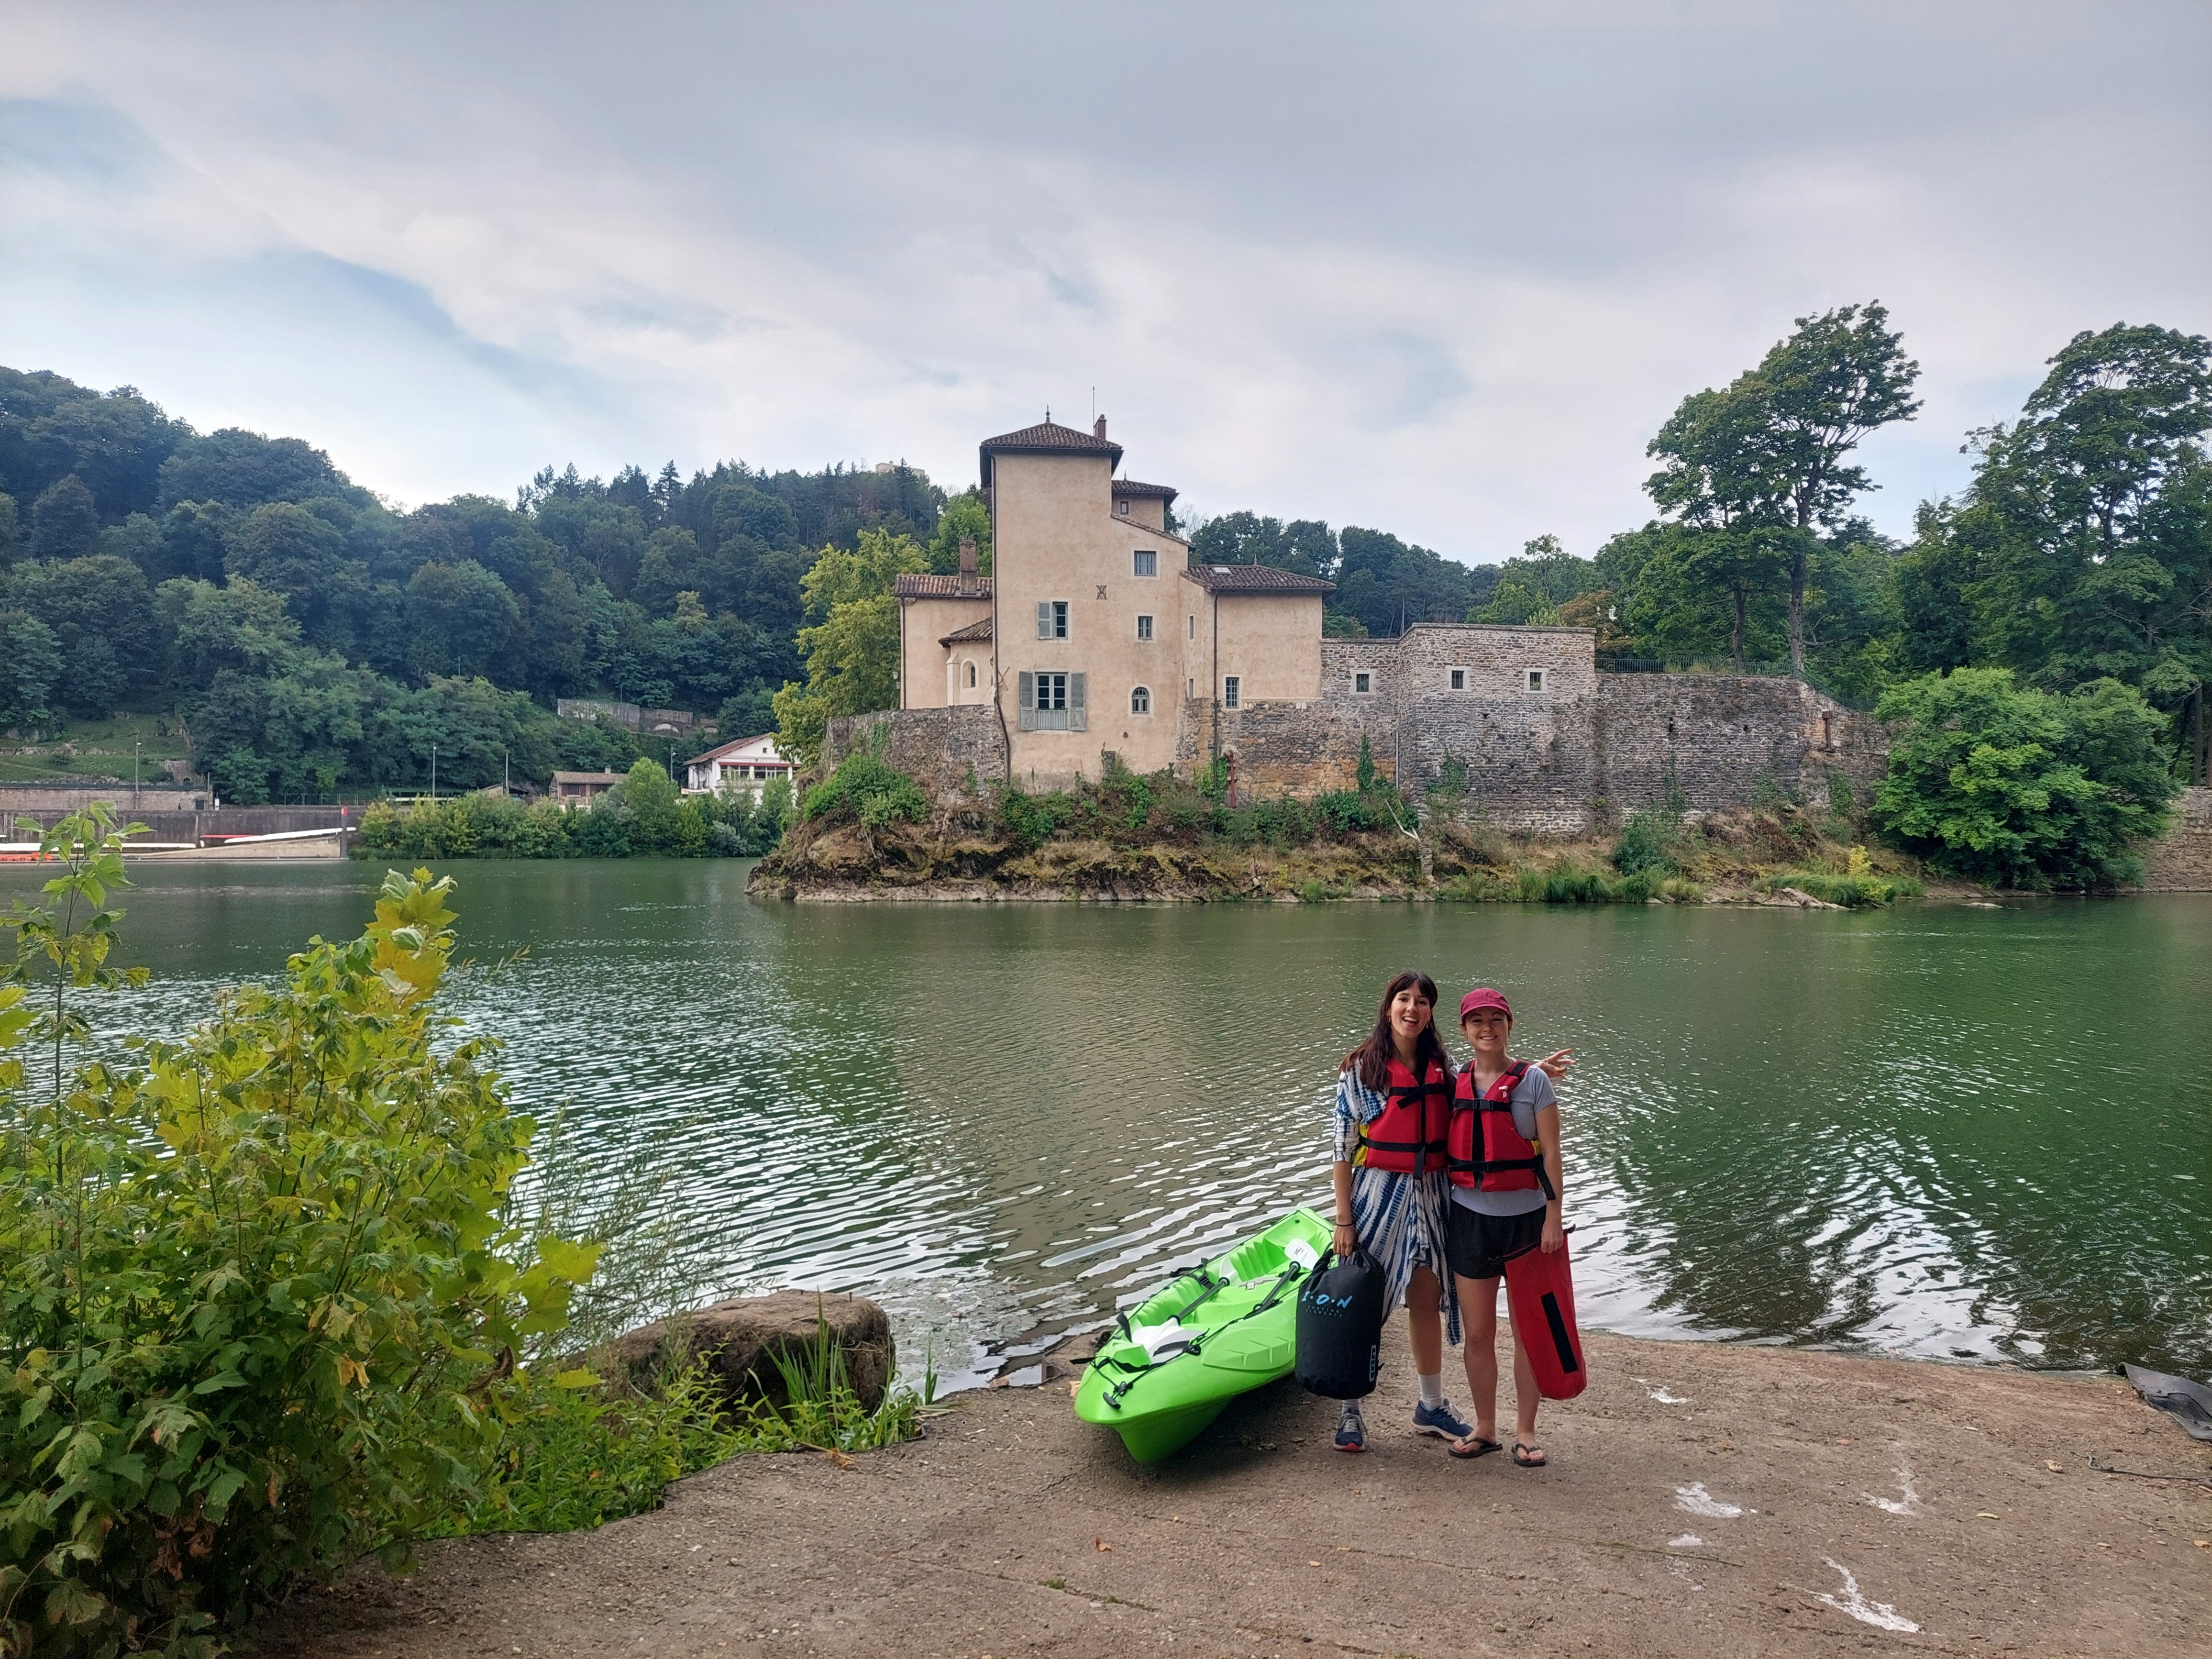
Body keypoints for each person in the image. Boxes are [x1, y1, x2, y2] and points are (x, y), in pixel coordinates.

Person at [1441, 986, 1569, 1469]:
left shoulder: (1535, 1082)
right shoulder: (1453, 1080)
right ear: (1464, 1031)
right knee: (1477, 1333)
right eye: (1477, 1021)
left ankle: (1526, 1430)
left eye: (1496, 1020)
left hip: (1528, 1224)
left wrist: (1553, 1217)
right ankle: (1486, 1427)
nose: (1487, 1029)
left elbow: (1552, 1153)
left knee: (1527, 1331)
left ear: (1509, 1026)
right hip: (1469, 1220)